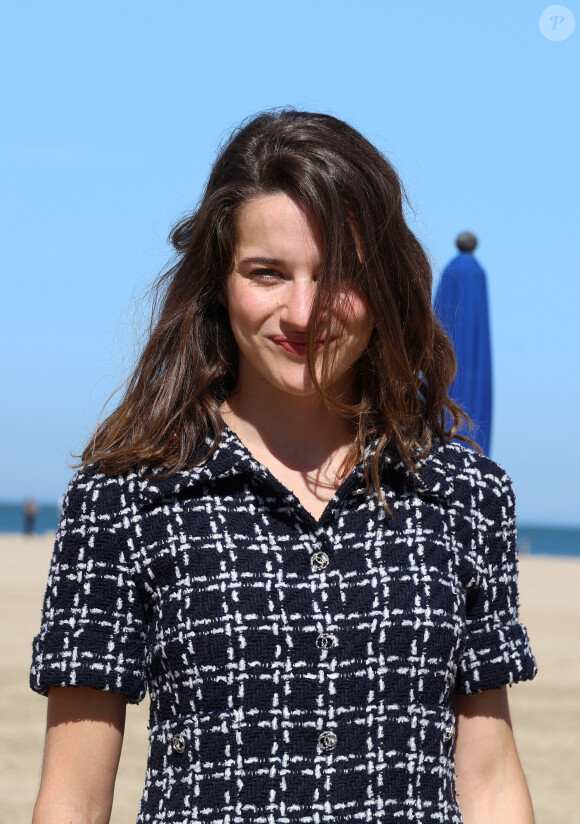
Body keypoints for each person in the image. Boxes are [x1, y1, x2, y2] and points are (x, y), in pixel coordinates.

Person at [30, 109, 537, 824]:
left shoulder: (465, 495)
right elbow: (73, 802)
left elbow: (488, 781)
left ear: (386, 285)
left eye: (339, 276)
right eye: (268, 273)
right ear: (219, 283)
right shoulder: (122, 501)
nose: (304, 311)